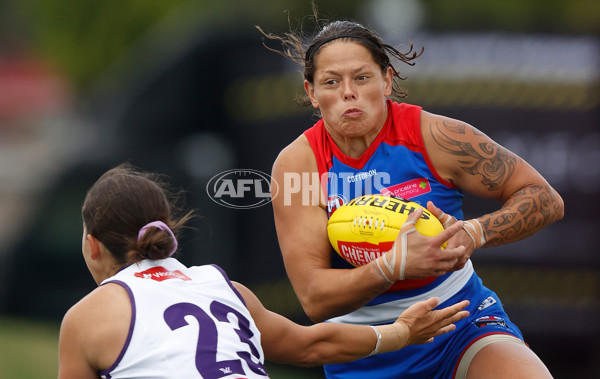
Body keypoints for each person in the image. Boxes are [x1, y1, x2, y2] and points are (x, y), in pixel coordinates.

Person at [259, 7, 564, 379]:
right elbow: (315, 299)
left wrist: (473, 233)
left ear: (386, 81)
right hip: (366, 345)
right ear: (311, 92)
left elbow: (544, 198)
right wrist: (392, 267)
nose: (349, 93)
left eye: (362, 77)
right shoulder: (298, 164)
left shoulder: (436, 137)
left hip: (458, 320)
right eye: (331, 82)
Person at [57, 163, 470, 379]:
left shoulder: (86, 318)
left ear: (91, 246)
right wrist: (401, 332)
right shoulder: (224, 287)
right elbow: (310, 346)